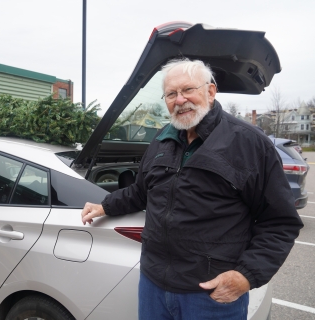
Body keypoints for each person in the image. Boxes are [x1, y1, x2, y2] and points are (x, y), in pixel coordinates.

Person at [81, 58, 303, 320]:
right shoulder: (163, 139)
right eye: (171, 94)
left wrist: (247, 275)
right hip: (153, 286)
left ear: (210, 91)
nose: (179, 100)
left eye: (188, 90)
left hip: (209, 297)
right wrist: (105, 205)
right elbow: (141, 191)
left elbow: (279, 222)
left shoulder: (249, 144)